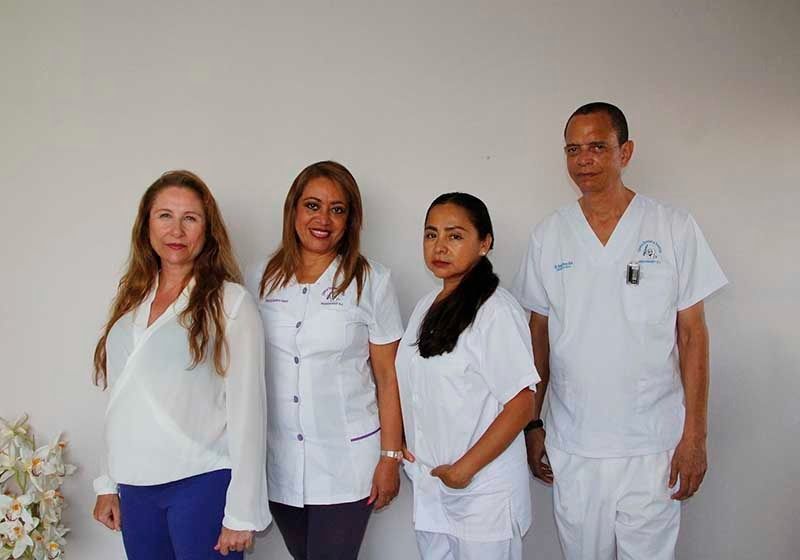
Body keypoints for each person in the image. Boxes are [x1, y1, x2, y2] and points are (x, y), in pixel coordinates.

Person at [512, 102, 728, 560]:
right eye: (573, 149)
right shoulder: (550, 235)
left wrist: (695, 436)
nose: (583, 159)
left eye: (597, 146)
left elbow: (693, 336)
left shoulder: (671, 227)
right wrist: (532, 423)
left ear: (624, 152)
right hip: (574, 444)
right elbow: (537, 338)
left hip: (652, 446)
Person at [91, 170, 271, 559]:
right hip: (135, 487)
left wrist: (242, 511)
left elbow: (248, 409)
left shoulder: (230, 303)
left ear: (208, 230)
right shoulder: (130, 303)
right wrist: (107, 481)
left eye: (190, 218)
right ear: (146, 225)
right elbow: (120, 398)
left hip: (201, 482)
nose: (177, 230)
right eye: (165, 216)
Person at [246, 161, 404, 560]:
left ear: (350, 220)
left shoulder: (372, 281)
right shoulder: (258, 278)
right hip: (279, 462)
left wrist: (390, 457)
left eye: (337, 209)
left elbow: (389, 376)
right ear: (293, 210)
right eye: (312, 206)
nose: (323, 219)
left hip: (347, 463)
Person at [396, 192, 539, 560]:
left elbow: (522, 403)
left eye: (455, 236)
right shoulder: (425, 306)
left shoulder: (496, 311)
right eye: (431, 234)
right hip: (432, 489)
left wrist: (464, 470)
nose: (440, 246)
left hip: (482, 493)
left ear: (484, 243)